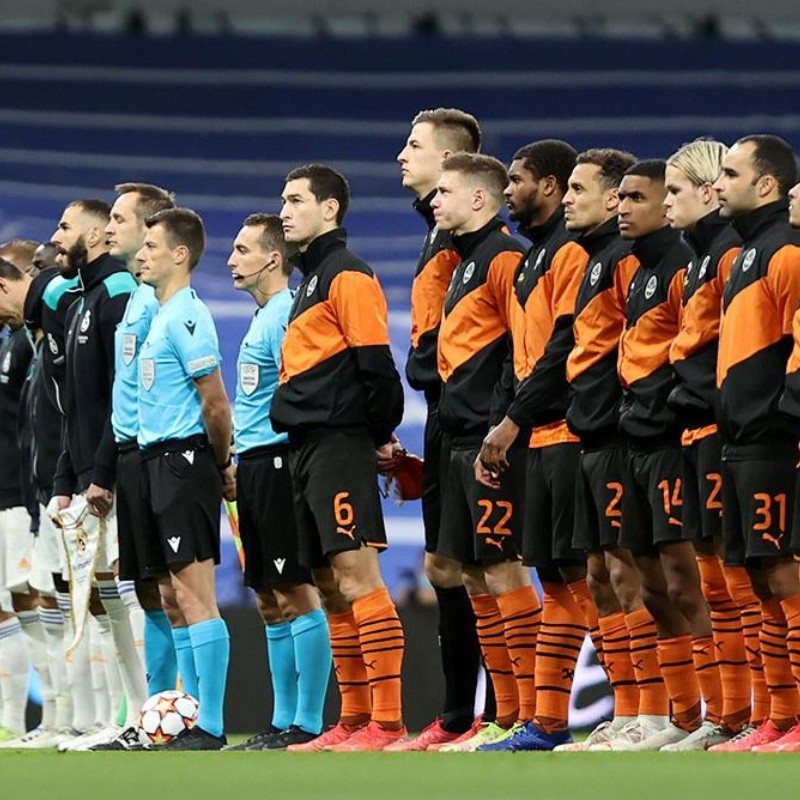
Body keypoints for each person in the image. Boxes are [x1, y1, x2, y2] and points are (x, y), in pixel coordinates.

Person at [271, 164, 407, 752]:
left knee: (356, 575)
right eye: (282, 200)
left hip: (338, 443)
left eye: (296, 200)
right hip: (306, 446)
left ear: (330, 210)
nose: (284, 210)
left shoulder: (348, 274)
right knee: (328, 584)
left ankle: (389, 721)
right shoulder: (311, 279)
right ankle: (353, 720)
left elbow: (377, 365)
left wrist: (376, 434)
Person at [477, 140, 595, 752]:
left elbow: (564, 348)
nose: (508, 189)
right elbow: (517, 355)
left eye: (517, 179)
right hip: (536, 434)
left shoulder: (570, 254)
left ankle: (649, 709)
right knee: (557, 574)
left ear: (547, 186)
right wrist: (505, 418)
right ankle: (547, 721)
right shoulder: (532, 259)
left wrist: (512, 419)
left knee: (589, 574)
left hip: (566, 432)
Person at [420, 152, 539, 753]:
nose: (433, 202)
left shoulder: (505, 257)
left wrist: (505, 424)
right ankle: (503, 716)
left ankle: (530, 713)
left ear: (477, 199)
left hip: (491, 438)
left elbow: (524, 348)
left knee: (503, 567)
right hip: (459, 435)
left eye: (444, 192)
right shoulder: (465, 261)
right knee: (471, 572)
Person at [556, 148, 662, 752]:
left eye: (582, 188)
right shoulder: (596, 259)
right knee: (598, 574)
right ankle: (626, 710)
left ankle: (655, 709)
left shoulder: (626, 261)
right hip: (590, 435)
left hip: (621, 435)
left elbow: (635, 344)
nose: (571, 198)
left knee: (628, 572)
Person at [390, 107, 487, 751]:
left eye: (414, 145)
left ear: (449, 159)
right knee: (444, 566)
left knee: (474, 566)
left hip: (467, 416)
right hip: (442, 413)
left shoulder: (463, 240)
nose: (402, 154)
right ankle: (459, 714)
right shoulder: (434, 233)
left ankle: (489, 711)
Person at [614, 160, 713, 751]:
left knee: (686, 583)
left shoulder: (680, 265)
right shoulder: (642, 271)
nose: (624, 206)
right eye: (620, 196)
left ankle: (728, 710)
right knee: (649, 584)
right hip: (635, 442)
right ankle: (681, 715)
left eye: (640, 197)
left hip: (671, 443)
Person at [225, 213, 331, 751]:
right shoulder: (263, 316)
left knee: (295, 589)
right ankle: (282, 717)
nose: (230, 260)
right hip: (252, 463)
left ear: (272, 257)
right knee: (269, 596)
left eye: (242, 251)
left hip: (279, 462)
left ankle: (308, 722)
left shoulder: (287, 313)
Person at [663, 140, 753, 751]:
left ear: (706, 190)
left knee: (741, 577)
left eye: (675, 190)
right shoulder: (698, 259)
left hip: (723, 429)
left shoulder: (726, 256)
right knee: (713, 582)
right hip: (695, 429)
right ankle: (727, 716)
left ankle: (761, 713)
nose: (669, 202)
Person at [49, 200, 147, 750]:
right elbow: (75, 408)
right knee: (103, 598)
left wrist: (102, 473)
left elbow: (121, 395)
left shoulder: (116, 295)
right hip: (86, 471)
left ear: (93, 234)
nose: (58, 238)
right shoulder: (83, 300)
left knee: (123, 592)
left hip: (110, 472)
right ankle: (125, 714)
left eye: (66, 228)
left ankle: (141, 714)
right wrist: (66, 477)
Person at [134, 207, 234, 750]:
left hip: (184, 462)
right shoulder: (159, 314)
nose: (140, 254)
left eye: (151, 246)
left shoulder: (187, 315)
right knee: (172, 595)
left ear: (179, 253)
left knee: (195, 595)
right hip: (156, 462)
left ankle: (211, 724)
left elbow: (215, 404)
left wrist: (219, 465)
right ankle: (189, 713)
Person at [713, 136, 800, 753]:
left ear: (764, 184)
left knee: (785, 572)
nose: (719, 183)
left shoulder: (788, 253)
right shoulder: (748, 252)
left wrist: (782, 417)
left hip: (774, 439)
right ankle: (779, 716)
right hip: (741, 440)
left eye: (730, 173)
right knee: (758, 578)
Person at [90, 183, 180, 750]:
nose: (109, 228)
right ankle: (146, 711)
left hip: (155, 455)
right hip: (130, 454)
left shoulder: (147, 300)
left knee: (169, 589)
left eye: (120, 218)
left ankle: (176, 711)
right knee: (146, 588)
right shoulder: (139, 299)